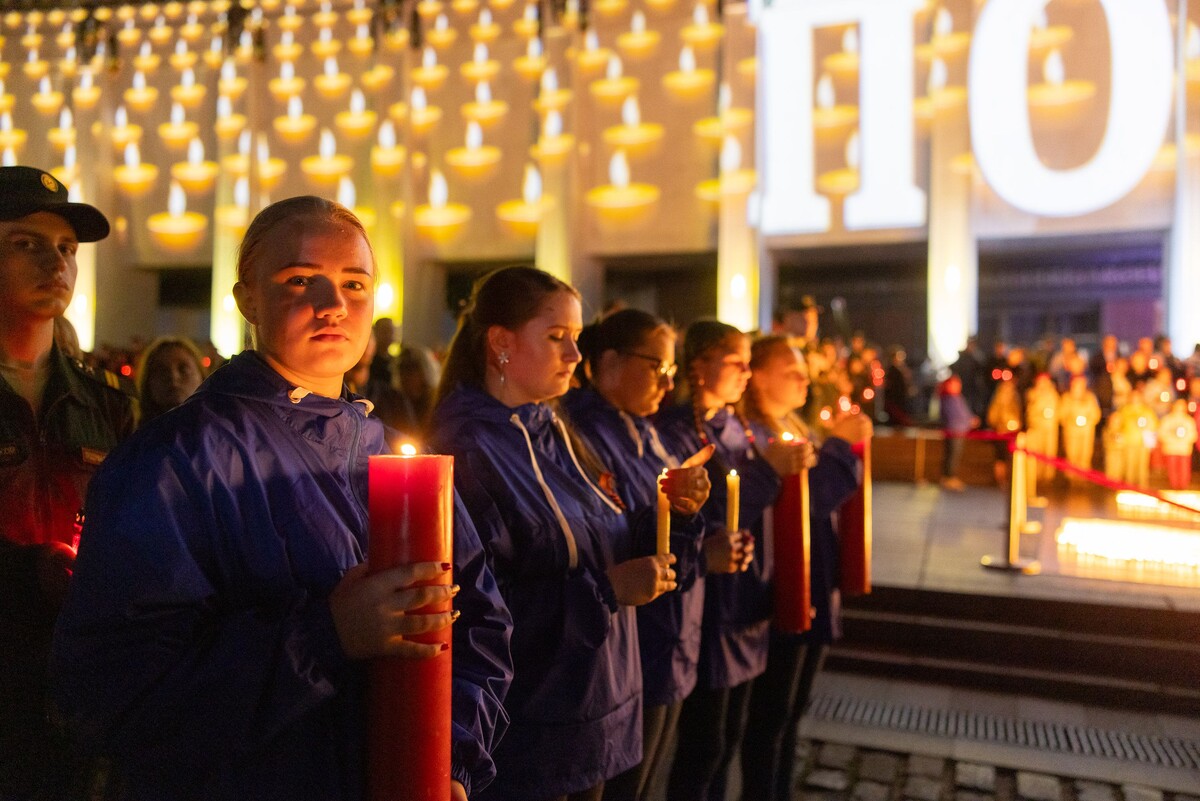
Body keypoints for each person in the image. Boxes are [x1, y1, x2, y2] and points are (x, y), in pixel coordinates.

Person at [52, 196, 512, 800]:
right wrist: (325, 635)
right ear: (246, 299)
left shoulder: (399, 456)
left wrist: (448, 754)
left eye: (355, 283)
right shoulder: (173, 462)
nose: (334, 306)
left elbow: (479, 619)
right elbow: (115, 696)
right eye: (300, 280)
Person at [430, 266, 675, 801]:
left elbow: (601, 531)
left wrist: (671, 511)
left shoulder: (556, 429)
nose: (575, 356)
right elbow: (476, 607)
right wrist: (606, 591)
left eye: (577, 339)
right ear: (500, 343)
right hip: (533, 726)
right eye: (557, 337)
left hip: (599, 703)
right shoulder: (467, 448)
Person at [0, 165, 135, 800]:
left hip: (83, 687)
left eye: (65, 250)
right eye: (24, 243)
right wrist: (30, 573)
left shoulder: (109, 403)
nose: (54, 263)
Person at [560, 309, 717, 801]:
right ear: (608, 363)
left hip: (668, 631)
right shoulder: (583, 437)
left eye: (673, 371)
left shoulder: (648, 431)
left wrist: (688, 513)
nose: (667, 383)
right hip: (629, 641)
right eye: (657, 367)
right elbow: (620, 535)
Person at [738, 336, 868, 801]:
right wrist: (838, 449)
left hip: (815, 580)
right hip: (781, 586)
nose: (803, 381)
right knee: (770, 715)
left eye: (804, 373)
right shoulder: (754, 434)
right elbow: (809, 500)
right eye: (791, 372)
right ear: (758, 376)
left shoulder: (793, 424)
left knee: (793, 711)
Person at [655, 320, 774, 801]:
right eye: (736, 362)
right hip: (703, 600)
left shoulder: (739, 425)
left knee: (731, 735)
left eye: (750, 362)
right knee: (703, 741)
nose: (747, 373)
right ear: (700, 365)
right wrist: (768, 476)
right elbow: (702, 509)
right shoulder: (678, 429)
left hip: (744, 589)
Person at [135, 335, 206, 424]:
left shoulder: (220, 433)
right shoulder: (136, 435)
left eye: (183, 369)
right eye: (162, 371)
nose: (173, 377)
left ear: (202, 376)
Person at [938, 375, 978, 492]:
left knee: (954, 454)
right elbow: (954, 416)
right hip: (955, 431)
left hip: (960, 431)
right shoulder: (949, 398)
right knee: (952, 455)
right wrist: (969, 421)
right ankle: (949, 477)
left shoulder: (956, 397)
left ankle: (950, 476)